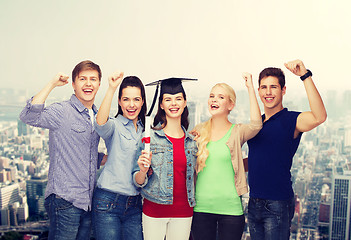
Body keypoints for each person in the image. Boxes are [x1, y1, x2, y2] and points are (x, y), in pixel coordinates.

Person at [19, 60, 104, 240]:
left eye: (93, 79)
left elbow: (87, 155)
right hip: (64, 199)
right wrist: (51, 84)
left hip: (87, 201)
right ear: (73, 84)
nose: (88, 83)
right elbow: (28, 116)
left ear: (99, 84)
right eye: (82, 79)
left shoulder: (97, 116)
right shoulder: (62, 111)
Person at [247, 59, 327, 239]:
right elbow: (256, 159)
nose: (268, 92)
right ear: (258, 91)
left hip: (277, 204)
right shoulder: (256, 124)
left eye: (273, 87)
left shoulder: (291, 120)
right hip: (253, 203)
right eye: (264, 87)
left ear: (283, 90)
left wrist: (305, 76)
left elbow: (319, 116)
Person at [190, 74, 262, 240]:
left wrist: (250, 88)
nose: (214, 100)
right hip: (201, 208)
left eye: (221, 97)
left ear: (231, 105)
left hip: (231, 210)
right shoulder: (198, 131)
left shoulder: (237, 132)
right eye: (212, 96)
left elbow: (257, 125)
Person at [132, 78, 197, 240]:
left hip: (184, 212)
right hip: (154, 211)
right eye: (168, 99)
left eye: (178, 99)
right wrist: (142, 171)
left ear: (185, 102)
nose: (173, 103)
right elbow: (138, 181)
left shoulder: (192, 142)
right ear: (161, 104)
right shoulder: (150, 138)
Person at [92, 72, 146, 240]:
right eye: (126, 99)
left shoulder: (147, 131)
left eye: (136, 99)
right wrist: (111, 89)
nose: (131, 104)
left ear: (142, 101)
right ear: (119, 102)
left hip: (135, 205)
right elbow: (100, 123)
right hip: (107, 201)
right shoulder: (115, 126)